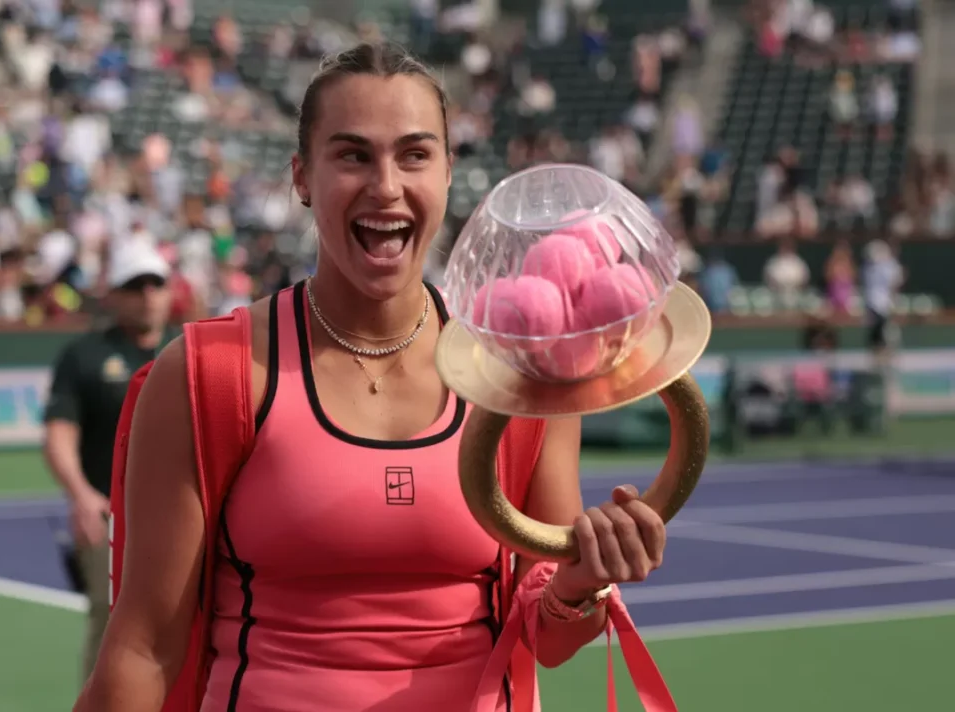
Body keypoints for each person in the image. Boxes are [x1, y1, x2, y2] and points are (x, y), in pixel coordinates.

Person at [76, 42, 668, 712]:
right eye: (353, 155)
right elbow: (144, 651)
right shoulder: (209, 375)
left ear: (449, 172)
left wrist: (581, 583)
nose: (386, 186)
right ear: (302, 177)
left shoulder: (526, 371)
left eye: (415, 155)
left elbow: (551, 637)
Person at [43, 240, 175, 682]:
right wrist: (80, 495)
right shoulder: (85, 355)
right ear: (114, 294)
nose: (148, 295)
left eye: (155, 284)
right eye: (135, 286)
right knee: (112, 622)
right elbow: (59, 433)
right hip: (108, 513)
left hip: (183, 514)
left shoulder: (190, 347)